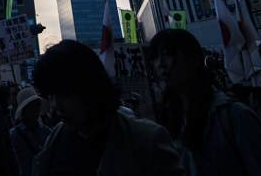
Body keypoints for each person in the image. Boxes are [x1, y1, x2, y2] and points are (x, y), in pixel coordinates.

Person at [32, 40, 183, 176]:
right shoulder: (54, 138)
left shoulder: (146, 140)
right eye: (50, 95)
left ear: (90, 87)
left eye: (64, 94)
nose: (56, 105)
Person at [149, 28, 261, 176]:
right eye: (156, 57)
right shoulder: (168, 118)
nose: (160, 64)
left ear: (194, 60)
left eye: (168, 55)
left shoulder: (237, 116)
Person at [8, 87, 52, 176]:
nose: (35, 110)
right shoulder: (13, 136)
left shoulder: (48, 133)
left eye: (37, 105)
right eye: (31, 106)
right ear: (23, 110)